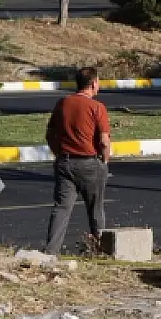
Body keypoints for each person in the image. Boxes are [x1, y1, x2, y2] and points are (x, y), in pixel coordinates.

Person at [44, 65, 112, 256]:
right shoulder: (97, 107)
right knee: (95, 210)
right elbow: (104, 141)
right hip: (89, 163)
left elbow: (50, 134)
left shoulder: (63, 103)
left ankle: (51, 252)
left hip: (65, 162)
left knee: (61, 209)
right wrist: (105, 162)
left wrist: (58, 153)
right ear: (93, 84)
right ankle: (99, 249)